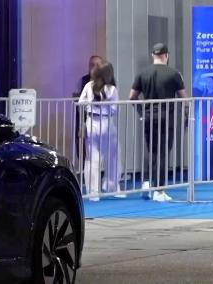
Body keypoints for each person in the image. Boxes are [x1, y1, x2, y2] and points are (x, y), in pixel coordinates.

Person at [129, 43, 188, 203]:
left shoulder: (142, 73)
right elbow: (185, 99)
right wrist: (187, 117)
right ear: (166, 56)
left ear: (152, 55)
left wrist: (142, 113)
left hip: (148, 117)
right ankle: (159, 190)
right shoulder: (174, 74)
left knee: (152, 151)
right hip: (166, 118)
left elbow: (132, 97)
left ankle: (147, 182)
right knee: (162, 153)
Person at [78, 62, 123, 201]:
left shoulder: (88, 86)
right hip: (106, 122)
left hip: (91, 122)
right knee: (113, 156)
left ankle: (93, 192)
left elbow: (80, 103)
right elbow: (115, 109)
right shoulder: (112, 89)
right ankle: (112, 187)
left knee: (92, 158)